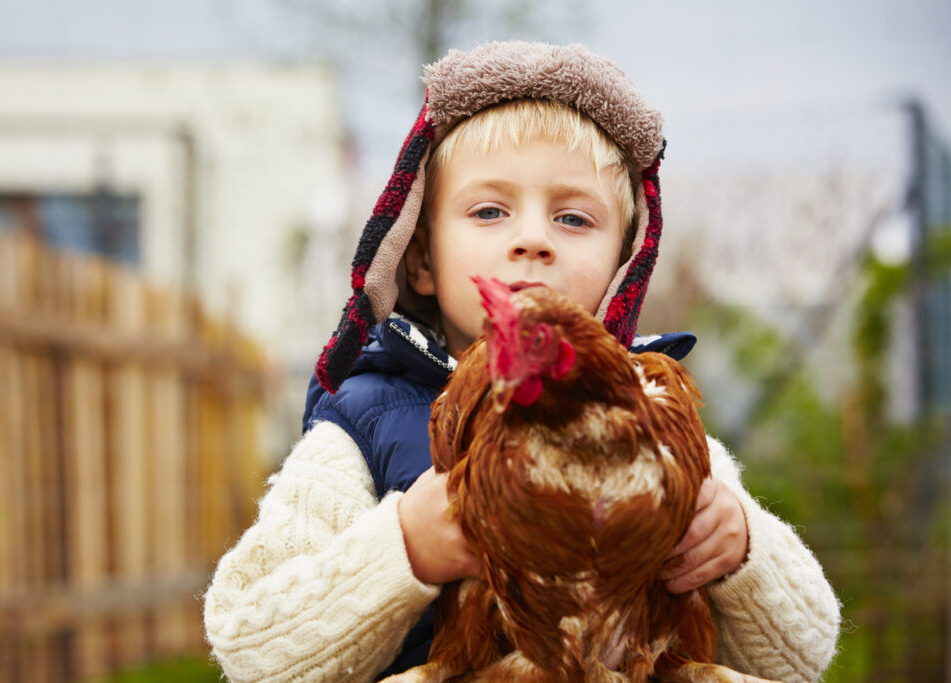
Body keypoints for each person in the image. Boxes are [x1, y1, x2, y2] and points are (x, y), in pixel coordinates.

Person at [203, 41, 841, 682]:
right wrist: (402, 551)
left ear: (623, 262)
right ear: (421, 260)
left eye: (572, 218)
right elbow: (252, 652)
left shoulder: (661, 419)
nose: (532, 240)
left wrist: (741, 552)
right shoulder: (363, 429)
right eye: (489, 211)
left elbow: (802, 656)